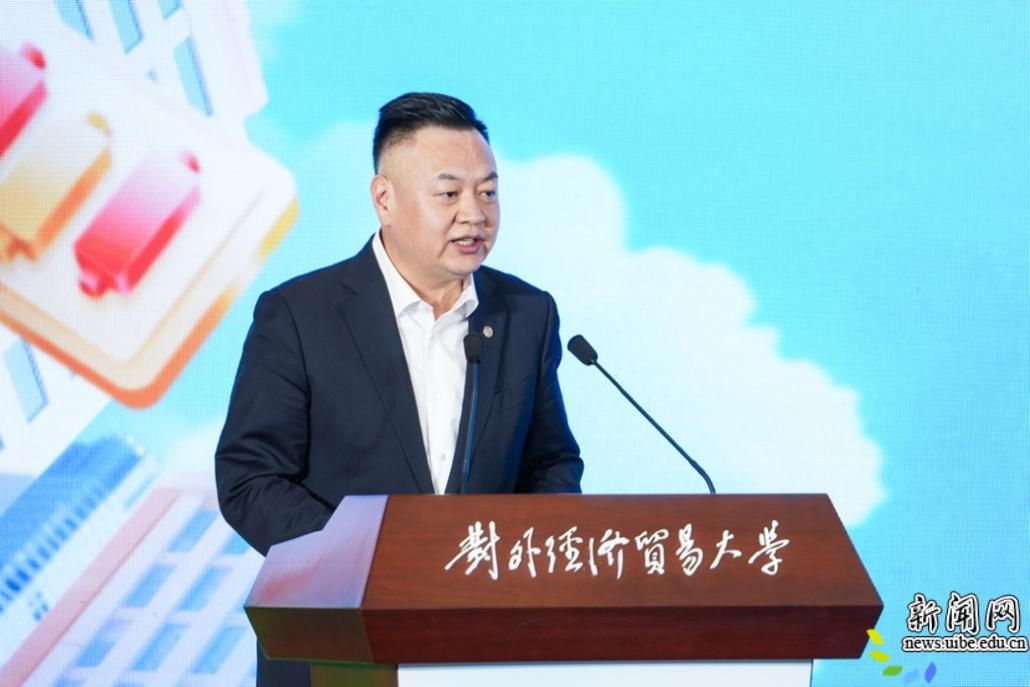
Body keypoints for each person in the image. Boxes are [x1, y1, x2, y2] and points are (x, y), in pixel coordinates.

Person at [215, 92, 583, 685]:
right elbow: (249, 479)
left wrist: (527, 563)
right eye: (449, 194)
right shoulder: (300, 315)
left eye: (489, 192)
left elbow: (551, 463)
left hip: (481, 648)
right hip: (337, 643)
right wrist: (366, 561)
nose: (475, 214)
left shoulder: (526, 314)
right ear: (383, 199)